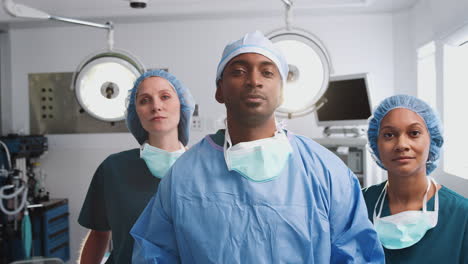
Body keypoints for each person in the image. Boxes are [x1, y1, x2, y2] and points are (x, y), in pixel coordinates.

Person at [131, 31, 384, 263]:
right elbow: (154, 253)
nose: (254, 81)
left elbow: (357, 254)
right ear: (219, 90)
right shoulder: (183, 176)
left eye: (267, 72)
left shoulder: (325, 171)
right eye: (239, 71)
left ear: (282, 91)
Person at [78, 70, 195, 263]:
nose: (156, 106)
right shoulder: (113, 169)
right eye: (144, 100)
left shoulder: (203, 169)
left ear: (182, 105)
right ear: (136, 112)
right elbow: (98, 235)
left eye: (165, 97)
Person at [363, 95, 468, 263]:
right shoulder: (358, 205)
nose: (402, 145)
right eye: (389, 135)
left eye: (414, 133)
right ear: (376, 144)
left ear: (432, 140)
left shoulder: (461, 214)